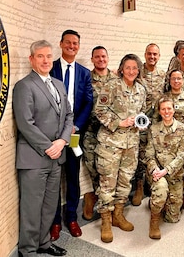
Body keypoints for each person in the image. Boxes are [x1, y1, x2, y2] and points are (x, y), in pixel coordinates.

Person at [13, 40, 73, 257]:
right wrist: (49, 147)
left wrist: (62, 141)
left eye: (49, 56)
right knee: (32, 208)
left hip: (57, 156)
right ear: (31, 59)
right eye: (40, 56)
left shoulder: (58, 84)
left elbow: (68, 115)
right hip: (34, 158)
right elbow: (25, 123)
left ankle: (43, 243)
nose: (46, 60)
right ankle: (27, 251)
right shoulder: (24, 86)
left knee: (49, 205)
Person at [94, 54, 147, 243]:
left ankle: (118, 214)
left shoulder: (141, 90)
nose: (131, 71)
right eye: (128, 67)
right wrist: (119, 122)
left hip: (131, 144)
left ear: (138, 70)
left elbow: (142, 112)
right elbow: (99, 110)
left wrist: (140, 123)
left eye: (135, 68)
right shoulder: (111, 85)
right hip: (111, 143)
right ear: (122, 68)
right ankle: (106, 221)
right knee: (107, 183)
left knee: (125, 181)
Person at [50, 30, 93, 240]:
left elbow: (87, 102)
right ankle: (55, 221)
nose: (72, 46)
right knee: (54, 179)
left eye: (75, 43)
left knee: (73, 177)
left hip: (75, 133)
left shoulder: (85, 73)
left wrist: (76, 125)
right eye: (68, 42)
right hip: (54, 135)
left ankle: (72, 218)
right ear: (61, 44)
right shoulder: (51, 68)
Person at [154, 69, 184, 214]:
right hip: (168, 143)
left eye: (179, 78)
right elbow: (156, 121)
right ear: (169, 81)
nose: (176, 81)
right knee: (171, 171)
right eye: (173, 79)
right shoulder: (163, 98)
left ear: (183, 80)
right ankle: (171, 199)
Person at [145, 96, 184, 239]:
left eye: (169, 108)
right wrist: (155, 170)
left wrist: (167, 170)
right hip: (157, 173)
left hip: (174, 173)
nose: (166, 111)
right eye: (163, 109)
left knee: (173, 217)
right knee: (161, 190)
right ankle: (154, 219)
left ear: (174, 109)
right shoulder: (154, 129)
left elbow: (182, 155)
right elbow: (149, 154)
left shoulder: (183, 129)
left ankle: (160, 202)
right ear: (159, 111)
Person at [82, 46, 118, 220]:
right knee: (93, 166)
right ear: (92, 59)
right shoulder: (86, 78)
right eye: (97, 57)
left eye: (103, 56)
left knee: (109, 169)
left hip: (111, 133)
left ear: (108, 58)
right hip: (91, 131)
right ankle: (93, 196)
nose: (101, 59)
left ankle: (107, 204)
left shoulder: (116, 79)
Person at [132, 43, 165, 206]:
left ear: (159, 56)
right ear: (145, 54)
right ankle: (138, 185)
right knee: (139, 153)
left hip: (157, 122)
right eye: (149, 54)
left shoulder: (163, 74)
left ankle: (151, 183)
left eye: (155, 54)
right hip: (140, 121)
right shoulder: (137, 72)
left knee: (154, 153)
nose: (152, 57)